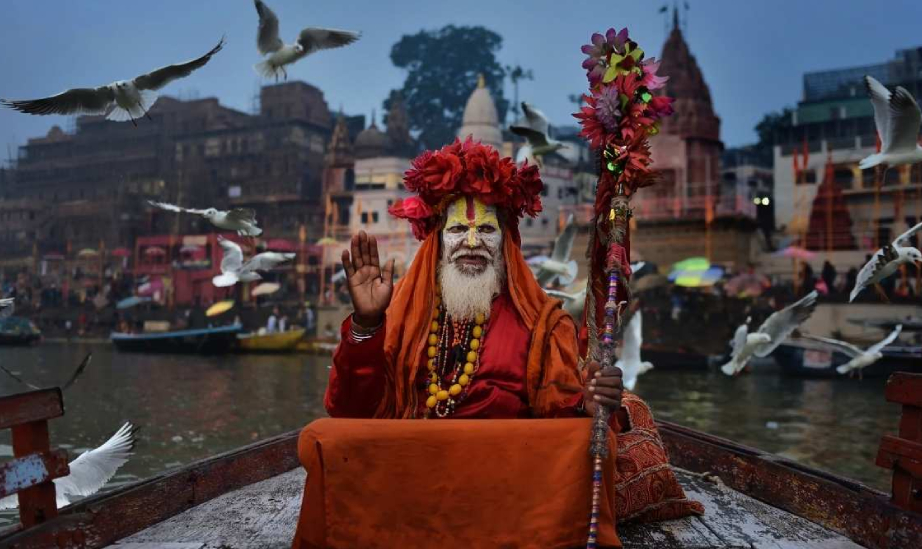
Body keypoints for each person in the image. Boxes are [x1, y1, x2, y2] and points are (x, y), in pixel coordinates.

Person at [322, 139, 702, 524]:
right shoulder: (404, 313)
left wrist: (587, 404)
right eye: (457, 230)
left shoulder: (541, 324)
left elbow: (560, 415)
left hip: (504, 479)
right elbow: (350, 411)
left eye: (486, 229)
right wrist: (367, 324)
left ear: (504, 242)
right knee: (324, 439)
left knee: (603, 427)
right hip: (413, 470)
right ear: (437, 241)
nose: (471, 243)